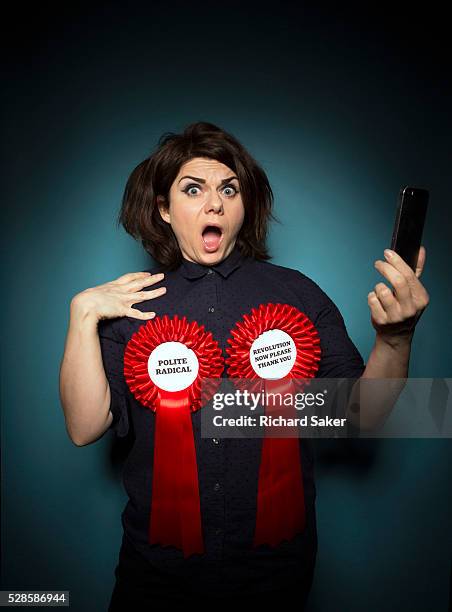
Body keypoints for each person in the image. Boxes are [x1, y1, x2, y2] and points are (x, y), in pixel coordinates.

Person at [59, 122, 430, 609]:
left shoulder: (299, 293)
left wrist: (396, 337)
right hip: (156, 573)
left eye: (228, 189)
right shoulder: (132, 304)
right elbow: (85, 429)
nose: (214, 203)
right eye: (193, 189)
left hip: (274, 574)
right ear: (164, 209)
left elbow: (365, 416)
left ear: (243, 206)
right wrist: (82, 313)